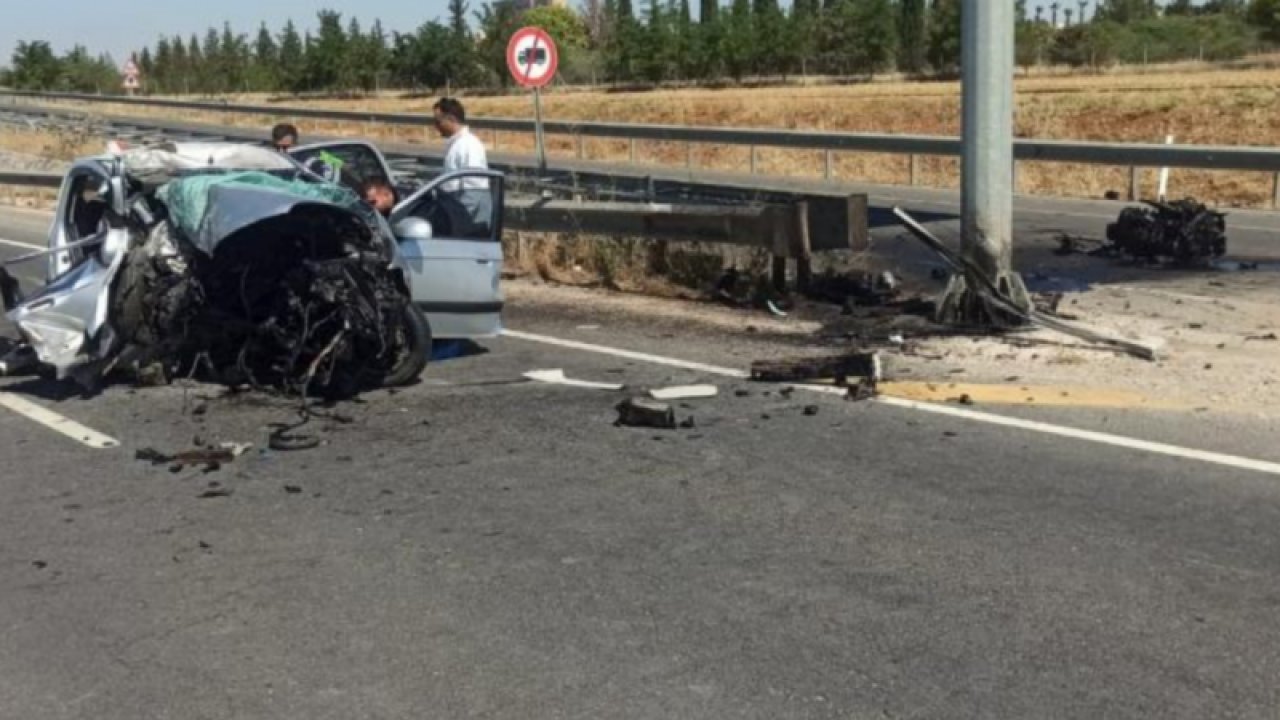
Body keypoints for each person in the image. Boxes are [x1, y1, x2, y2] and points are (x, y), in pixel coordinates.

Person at [432, 98, 492, 237]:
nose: (435, 126)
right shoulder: (456, 145)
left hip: (470, 229)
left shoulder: (469, 146)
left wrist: (454, 220)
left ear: (451, 119)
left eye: (438, 121)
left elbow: (474, 193)